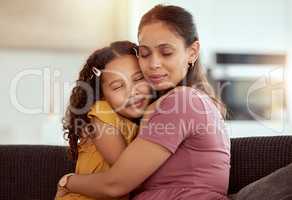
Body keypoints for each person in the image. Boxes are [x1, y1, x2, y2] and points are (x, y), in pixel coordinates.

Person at [56, 4, 230, 200]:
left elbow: (116, 183)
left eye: (166, 52)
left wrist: (67, 181)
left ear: (192, 51)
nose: (154, 64)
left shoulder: (182, 101)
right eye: (145, 54)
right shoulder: (182, 102)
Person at [56, 41, 152, 200]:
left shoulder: (146, 117)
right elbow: (127, 177)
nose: (132, 92)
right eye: (117, 86)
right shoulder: (102, 115)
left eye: (138, 78)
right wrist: (68, 182)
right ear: (102, 94)